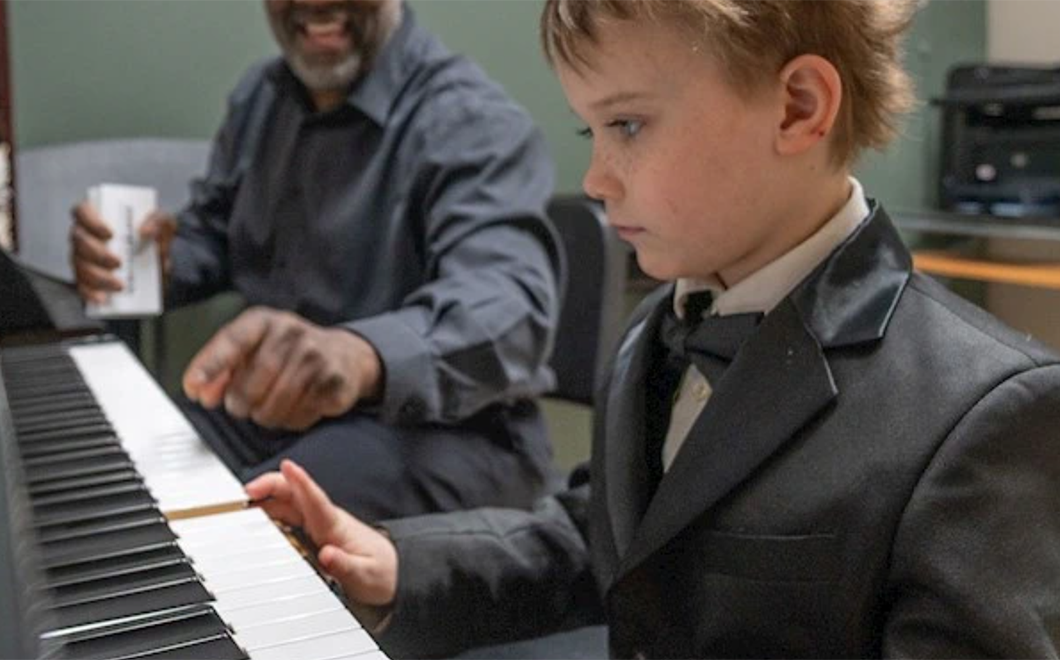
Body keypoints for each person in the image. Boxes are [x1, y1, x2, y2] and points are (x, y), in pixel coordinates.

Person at [246, 0, 1060, 658]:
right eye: (589, 132)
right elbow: (611, 545)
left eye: (628, 126)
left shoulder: (984, 415)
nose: (596, 179)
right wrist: (396, 564)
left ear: (798, 106)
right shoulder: (650, 334)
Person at [68, 0, 565, 520]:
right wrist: (155, 264)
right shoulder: (260, 98)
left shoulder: (472, 123)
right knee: (116, 476)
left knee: (231, 530)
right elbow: (216, 233)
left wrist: (359, 354)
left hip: (444, 431)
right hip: (269, 415)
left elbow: (509, 306)